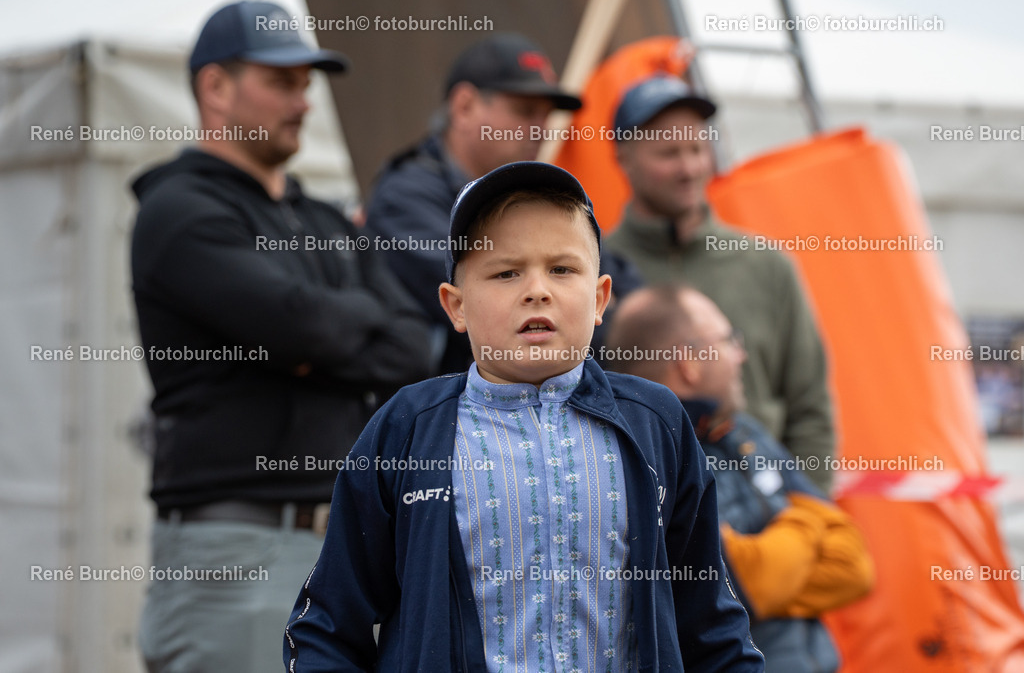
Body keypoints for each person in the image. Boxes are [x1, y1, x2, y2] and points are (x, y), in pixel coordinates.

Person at [283, 162, 765, 672]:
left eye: (562, 269)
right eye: (506, 272)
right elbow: (328, 625)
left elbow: (713, 627)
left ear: (600, 298)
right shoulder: (406, 429)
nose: (537, 290)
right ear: (456, 306)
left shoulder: (655, 422)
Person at [130, 1, 431, 672]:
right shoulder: (178, 211)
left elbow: (412, 345)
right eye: (282, 81)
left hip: (347, 548)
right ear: (215, 87)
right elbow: (302, 323)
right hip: (236, 552)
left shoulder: (322, 215)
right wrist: (332, 331)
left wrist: (319, 343)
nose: (303, 101)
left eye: (306, 82)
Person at [605, 285, 874, 672]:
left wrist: (778, 560)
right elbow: (747, 582)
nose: (741, 354)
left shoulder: (745, 431)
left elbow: (855, 565)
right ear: (689, 363)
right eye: (729, 340)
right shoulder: (656, 456)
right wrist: (808, 523)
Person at [606, 74, 836, 491]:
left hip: (764, 509)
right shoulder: (595, 269)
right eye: (669, 153)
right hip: (647, 515)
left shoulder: (765, 265)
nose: (690, 168)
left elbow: (810, 408)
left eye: (697, 148)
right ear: (624, 157)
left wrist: (809, 516)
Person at [365, 33, 642, 374]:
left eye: (545, 116)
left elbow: (618, 274)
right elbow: (491, 307)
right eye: (525, 111)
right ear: (464, 106)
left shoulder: (540, 193)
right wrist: (596, 308)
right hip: (460, 416)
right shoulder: (404, 197)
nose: (541, 129)